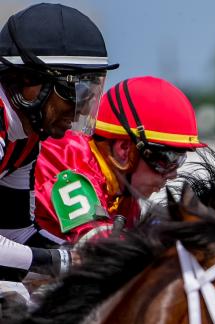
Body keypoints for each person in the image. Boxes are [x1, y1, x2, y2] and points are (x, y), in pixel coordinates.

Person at [0, 3, 116, 280]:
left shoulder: (26, 140)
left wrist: (86, 257)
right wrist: (65, 261)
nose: (82, 108)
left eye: (89, 93)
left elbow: (15, 233)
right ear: (28, 79)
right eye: (72, 91)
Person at [34, 76, 204, 243]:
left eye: (179, 159)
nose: (173, 174)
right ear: (124, 150)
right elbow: (101, 251)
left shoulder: (125, 194)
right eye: (166, 159)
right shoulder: (67, 164)